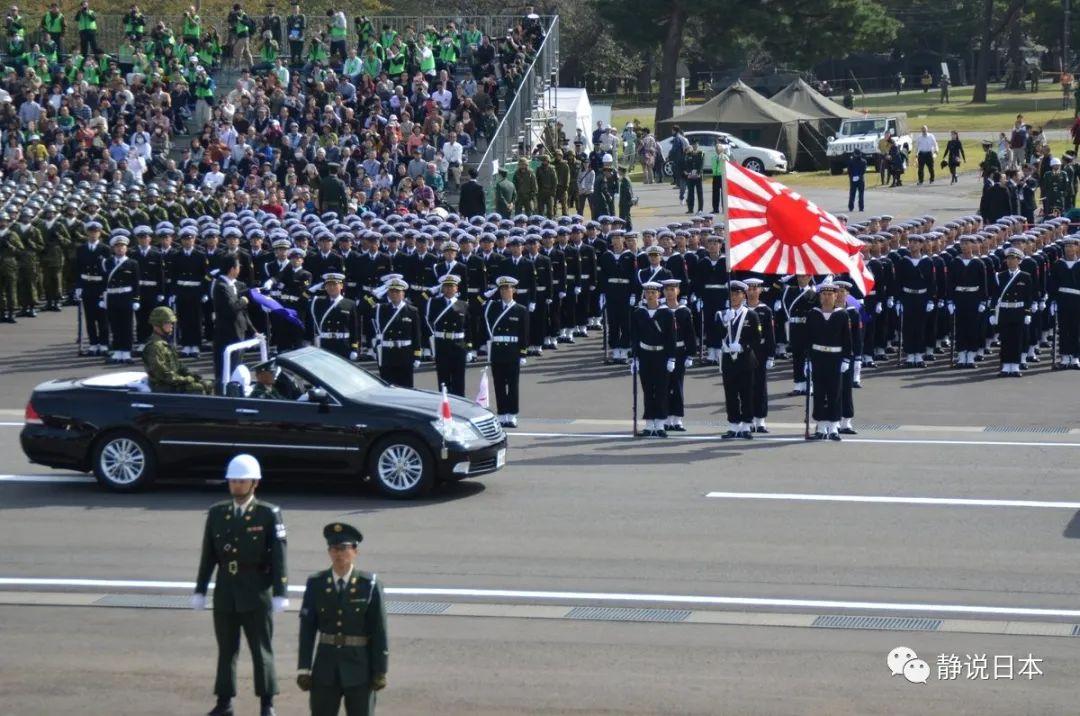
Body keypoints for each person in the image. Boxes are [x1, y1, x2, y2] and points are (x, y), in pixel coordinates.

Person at [192, 454, 289, 716]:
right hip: (225, 590)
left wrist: (280, 591)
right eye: (232, 480)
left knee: (261, 650)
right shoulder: (217, 513)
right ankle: (224, 702)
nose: (235, 485)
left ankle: (267, 703)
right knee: (226, 650)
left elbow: (279, 555)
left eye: (241, 481)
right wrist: (201, 588)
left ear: (254, 483)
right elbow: (208, 555)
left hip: (256, 590)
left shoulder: (268, 514)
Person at [296, 522, 388, 716]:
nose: (339, 554)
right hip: (325, 667)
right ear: (329, 552)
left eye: (344, 548)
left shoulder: (369, 584)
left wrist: (380, 670)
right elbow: (307, 629)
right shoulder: (316, 583)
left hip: (359, 667)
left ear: (355, 551)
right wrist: (303, 667)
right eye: (334, 549)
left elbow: (379, 630)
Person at [805, 280, 852, 441]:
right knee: (819, 393)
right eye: (823, 294)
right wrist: (808, 360)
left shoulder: (842, 314)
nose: (826, 298)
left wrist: (846, 359)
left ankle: (833, 427)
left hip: (835, 358)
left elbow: (847, 339)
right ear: (819, 296)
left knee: (835, 393)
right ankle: (821, 426)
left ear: (835, 296)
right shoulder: (813, 314)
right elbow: (808, 339)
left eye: (830, 294)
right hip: (818, 357)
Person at [718, 280, 762, 439]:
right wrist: (723, 324)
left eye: (737, 294)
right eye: (731, 294)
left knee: (747, 394)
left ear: (743, 295)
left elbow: (757, 337)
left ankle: (746, 425)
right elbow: (714, 336)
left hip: (745, 360)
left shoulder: (751, 314)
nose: (734, 297)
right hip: (728, 359)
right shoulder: (722, 314)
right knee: (730, 395)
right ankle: (733, 425)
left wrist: (743, 345)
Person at [631, 281, 675, 438]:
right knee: (648, 390)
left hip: (661, 355)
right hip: (645, 355)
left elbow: (671, 337)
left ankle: (660, 424)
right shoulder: (638, 313)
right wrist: (634, 359)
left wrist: (671, 358)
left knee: (662, 390)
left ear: (659, 294)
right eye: (647, 293)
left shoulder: (667, 313)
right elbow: (635, 337)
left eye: (653, 293)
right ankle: (649, 424)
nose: (650, 296)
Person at [485, 275, 529, 427]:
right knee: (498, 384)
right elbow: (476, 307)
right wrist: (486, 295)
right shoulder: (493, 307)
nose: (505, 291)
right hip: (497, 351)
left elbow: (524, 334)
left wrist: (523, 353)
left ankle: (512, 414)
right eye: (502, 289)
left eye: (508, 288)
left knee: (513, 385)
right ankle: (502, 414)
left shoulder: (520, 309)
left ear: (514, 290)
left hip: (512, 351)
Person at [143, 306, 212, 394]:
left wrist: (190, 374)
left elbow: (177, 365)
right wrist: (188, 379)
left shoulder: (164, 343)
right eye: (168, 322)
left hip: (172, 383)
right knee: (198, 388)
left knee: (207, 384)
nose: (172, 325)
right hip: (162, 387)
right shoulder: (154, 346)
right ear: (158, 324)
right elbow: (164, 375)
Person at [990, 247, 1035, 377]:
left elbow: (1028, 297)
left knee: (1017, 339)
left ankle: (1015, 366)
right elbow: (995, 296)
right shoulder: (1000, 276)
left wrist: (1027, 313)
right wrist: (993, 312)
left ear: (1019, 261)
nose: (1010, 261)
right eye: (1008, 259)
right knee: (1005, 339)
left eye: (1013, 259)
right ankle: (1005, 366)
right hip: (1005, 311)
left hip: (1018, 311)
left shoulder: (1025, 277)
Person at [212, 254, 254, 391]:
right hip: (227, 334)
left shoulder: (233, 285)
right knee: (226, 371)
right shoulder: (221, 286)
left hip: (238, 332)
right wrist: (244, 301)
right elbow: (232, 309)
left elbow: (242, 313)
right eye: (238, 267)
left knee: (235, 368)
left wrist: (253, 331)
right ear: (232, 269)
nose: (239, 270)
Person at [373, 277, 422, 387]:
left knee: (406, 387)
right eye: (391, 291)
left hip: (405, 354)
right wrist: (376, 293)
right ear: (388, 293)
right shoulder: (381, 309)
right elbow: (364, 306)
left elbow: (416, 335)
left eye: (397, 292)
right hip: (387, 354)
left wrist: (417, 355)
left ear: (403, 294)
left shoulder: (412, 311)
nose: (394, 294)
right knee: (388, 387)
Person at [949, 235, 988, 368]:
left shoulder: (978, 263)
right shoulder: (955, 262)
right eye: (962, 243)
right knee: (960, 328)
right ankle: (961, 357)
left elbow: (983, 284)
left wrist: (983, 301)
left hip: (974, 298)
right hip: (960, 297)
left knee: (973, 328)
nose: (964, 246)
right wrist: (950, 300)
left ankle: (971, 356)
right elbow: (951, 282)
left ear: (973, 245)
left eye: (967, 243)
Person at [426, 273, 469, 396]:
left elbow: (468, 327)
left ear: (457, 288)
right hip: (442, 343)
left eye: (452, 286)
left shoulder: (462, 304)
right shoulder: (434, 302)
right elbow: (428, 321)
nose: (449, 289)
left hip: (458, 345)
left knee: (459, 379)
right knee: (443, 379)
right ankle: (445, 407)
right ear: (442, 288)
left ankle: (459, 408)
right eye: (446, 286)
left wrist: (469, 347)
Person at [102, 233, 141, 365]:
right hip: (112, 297)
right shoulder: (107, 262)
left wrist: (136, 299)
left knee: (127, 326)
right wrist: (102, 297)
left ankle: (126, 352)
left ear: (126, 248)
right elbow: (103, 282)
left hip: (126, 297)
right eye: (117, 246)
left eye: (122, 246)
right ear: (113, 248)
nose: (120, 249)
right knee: (115, 326)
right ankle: (117, 351)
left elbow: (136, 283)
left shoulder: (132, 263)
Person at [662, 278, 695, 432]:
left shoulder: (684, 311)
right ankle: (667, 418)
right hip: (663, 352)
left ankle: (678, 419)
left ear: (678, 291)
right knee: (664, 386)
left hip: (680, 351)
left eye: (672, 289)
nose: (670, 292)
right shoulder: (661, 310)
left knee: (678, 384)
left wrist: (690, 354)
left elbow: (690, 334)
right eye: (667, 290)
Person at [743, 279, 775, 433]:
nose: (751, 291)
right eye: (749, 288)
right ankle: (747, 419)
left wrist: (770, 356)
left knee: (760, 386)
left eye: (755, 288)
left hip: (760, 351)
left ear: (760, 290)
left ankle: (760, 420)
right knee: (745, 386)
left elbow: (770, 335)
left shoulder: (765, 310)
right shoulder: (739, 309)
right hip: (743, 351)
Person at [309, 273, 359, 359]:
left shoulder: (350, 304)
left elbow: (354, 328)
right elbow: (301, 301)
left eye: (334, 285)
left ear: (341, 286)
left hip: (343, 344)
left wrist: (354, 348)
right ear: (325, 287)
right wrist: (312, 289)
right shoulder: (319, 302)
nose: (331, 287)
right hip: (325, 343)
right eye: (328, 285)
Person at [1049, 235, 1080, 368]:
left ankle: (1075, 357)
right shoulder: (1058, 264)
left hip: (1077, 300)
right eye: (1066, 246)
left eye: (1071, 246)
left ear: (1077, 247)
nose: (1069, 249)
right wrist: (1053, 301)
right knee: (1064, 329)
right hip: (1062, 299)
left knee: (1076, 329)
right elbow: (1052, 284)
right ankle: (1065, 356)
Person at [683, 137, 705, 214]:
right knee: (690, 193)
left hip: (698, 176)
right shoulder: (689, 154)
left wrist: (699, 172)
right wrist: (688, 172)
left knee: (699, 193)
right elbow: (687, 164)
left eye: (696, 144)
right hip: (690, 176)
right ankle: (690, 209)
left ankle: (700, 209)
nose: (695, 146)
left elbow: (701, 164)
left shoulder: (701, 153)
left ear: (698, 145)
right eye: (693, 144)